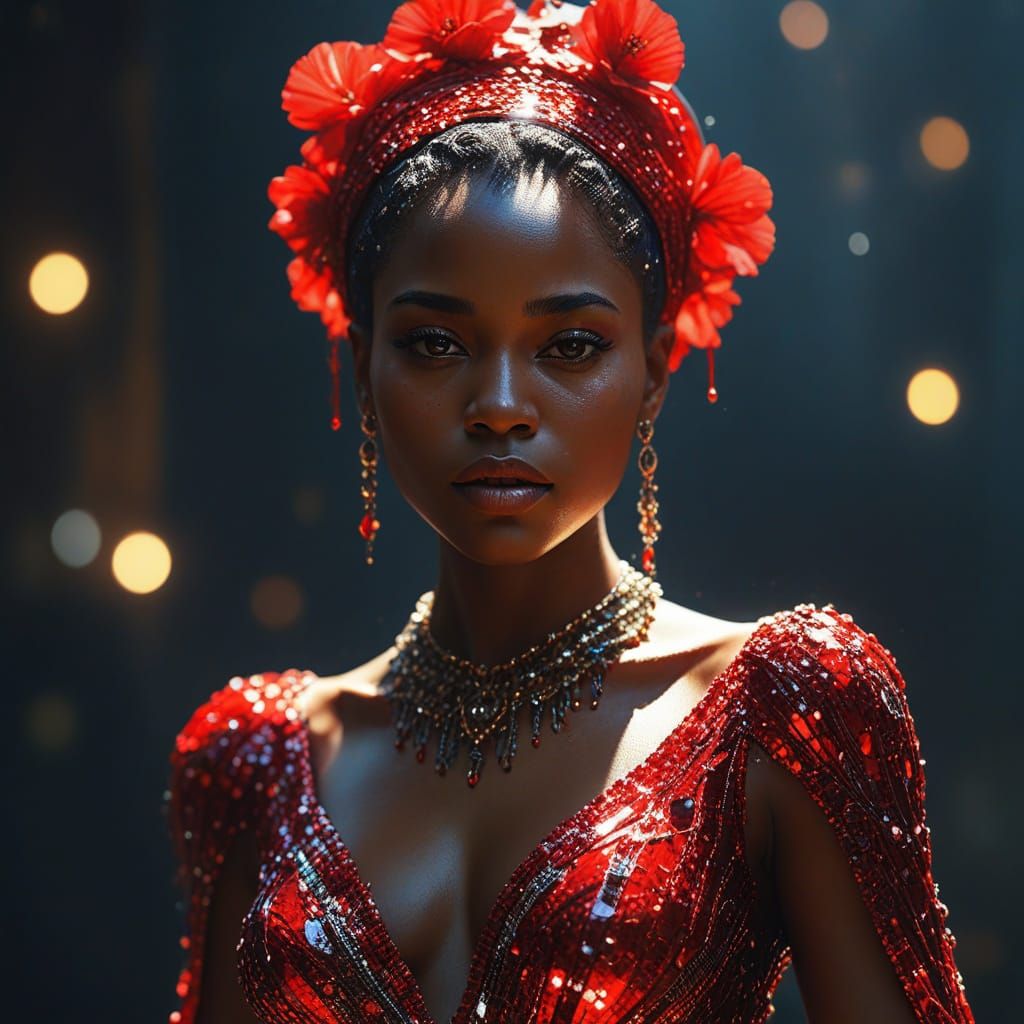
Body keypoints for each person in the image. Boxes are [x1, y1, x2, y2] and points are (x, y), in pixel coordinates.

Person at [164, 2, 975, 1022]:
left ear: (656, 371)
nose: (499, 405)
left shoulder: (780, 712)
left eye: (570, 346)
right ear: (360, 368)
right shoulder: (256, 764)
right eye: (433, 343)